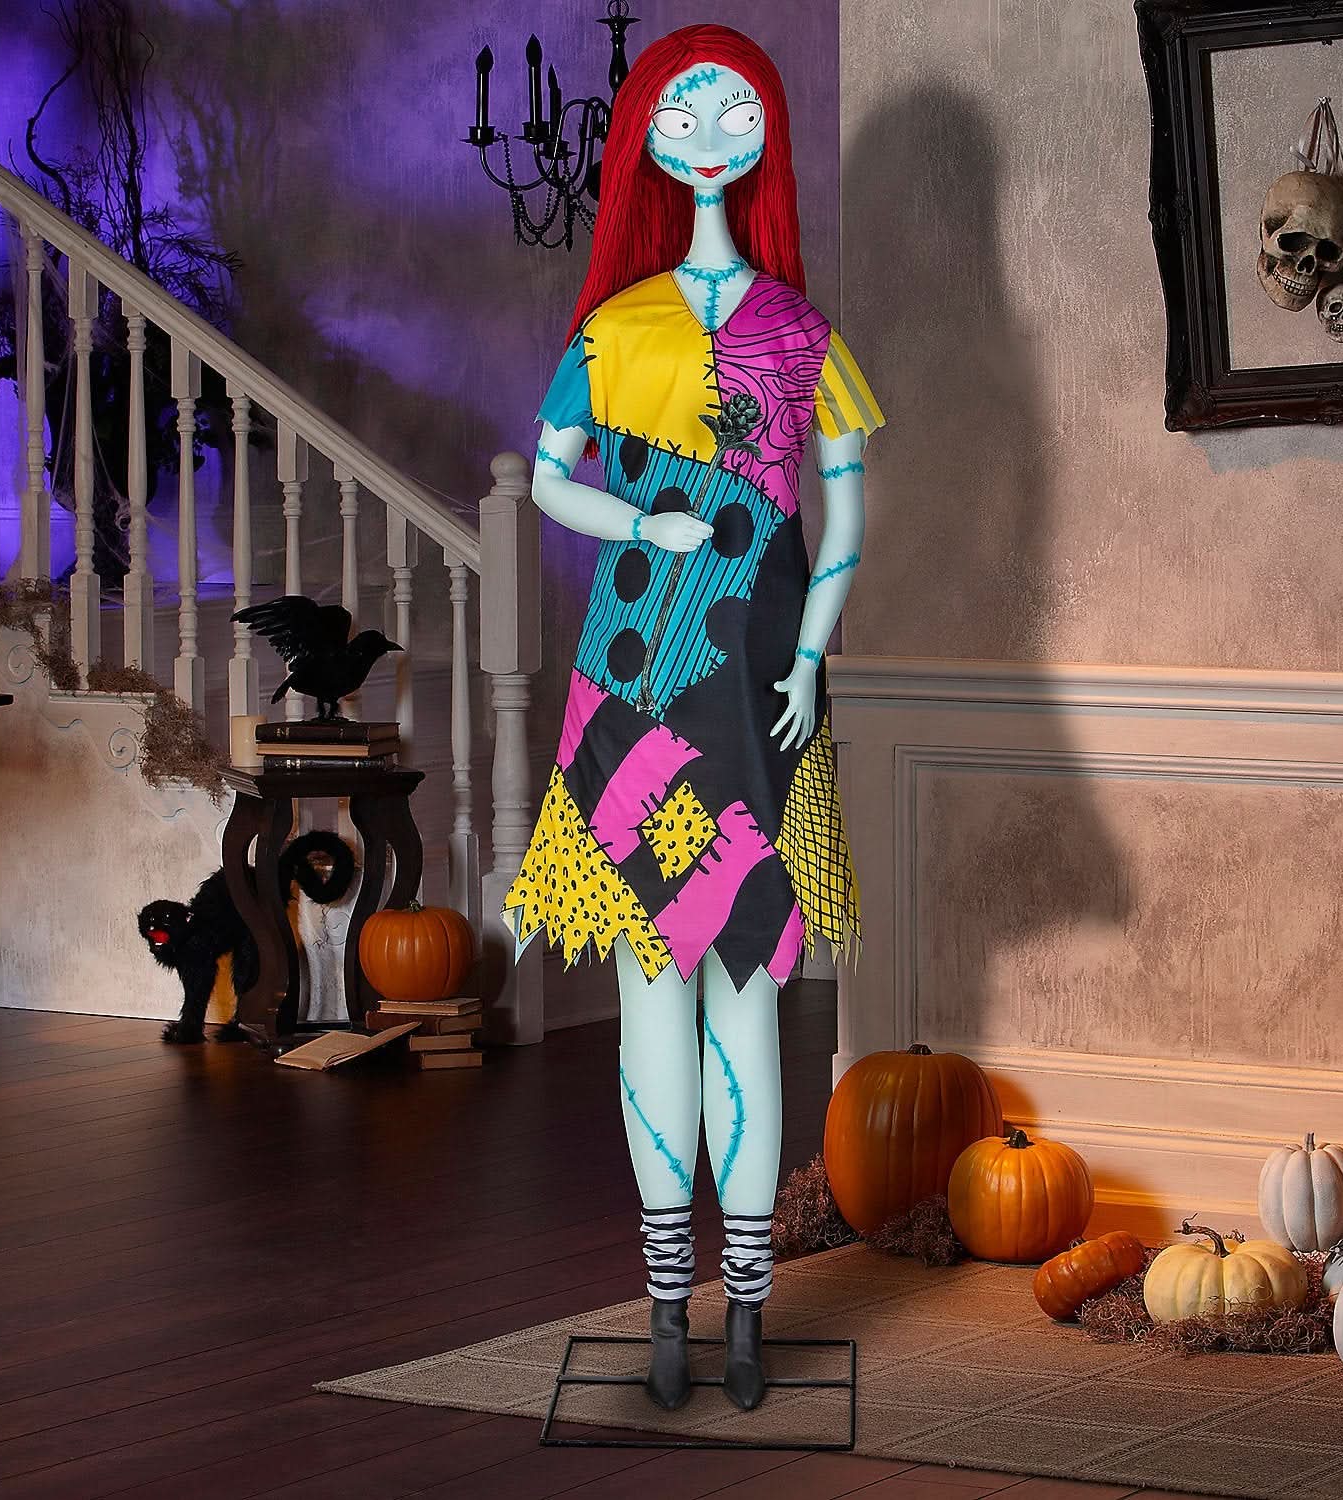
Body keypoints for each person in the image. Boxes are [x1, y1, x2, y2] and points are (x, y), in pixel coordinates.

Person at [502, 23, 883, 1414]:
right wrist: (638, 522)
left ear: (763, 132)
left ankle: (744, 1309)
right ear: (647, 142)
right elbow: (549, 477)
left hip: (764, 693)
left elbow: (845, 516)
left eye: (734, 112)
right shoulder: (615, 330)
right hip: (631, 688)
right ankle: (671, 1301)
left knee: (747, 990)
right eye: (683, 112)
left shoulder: (803, 334)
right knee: (649, 992)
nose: (710, 135)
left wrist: (811, 658)